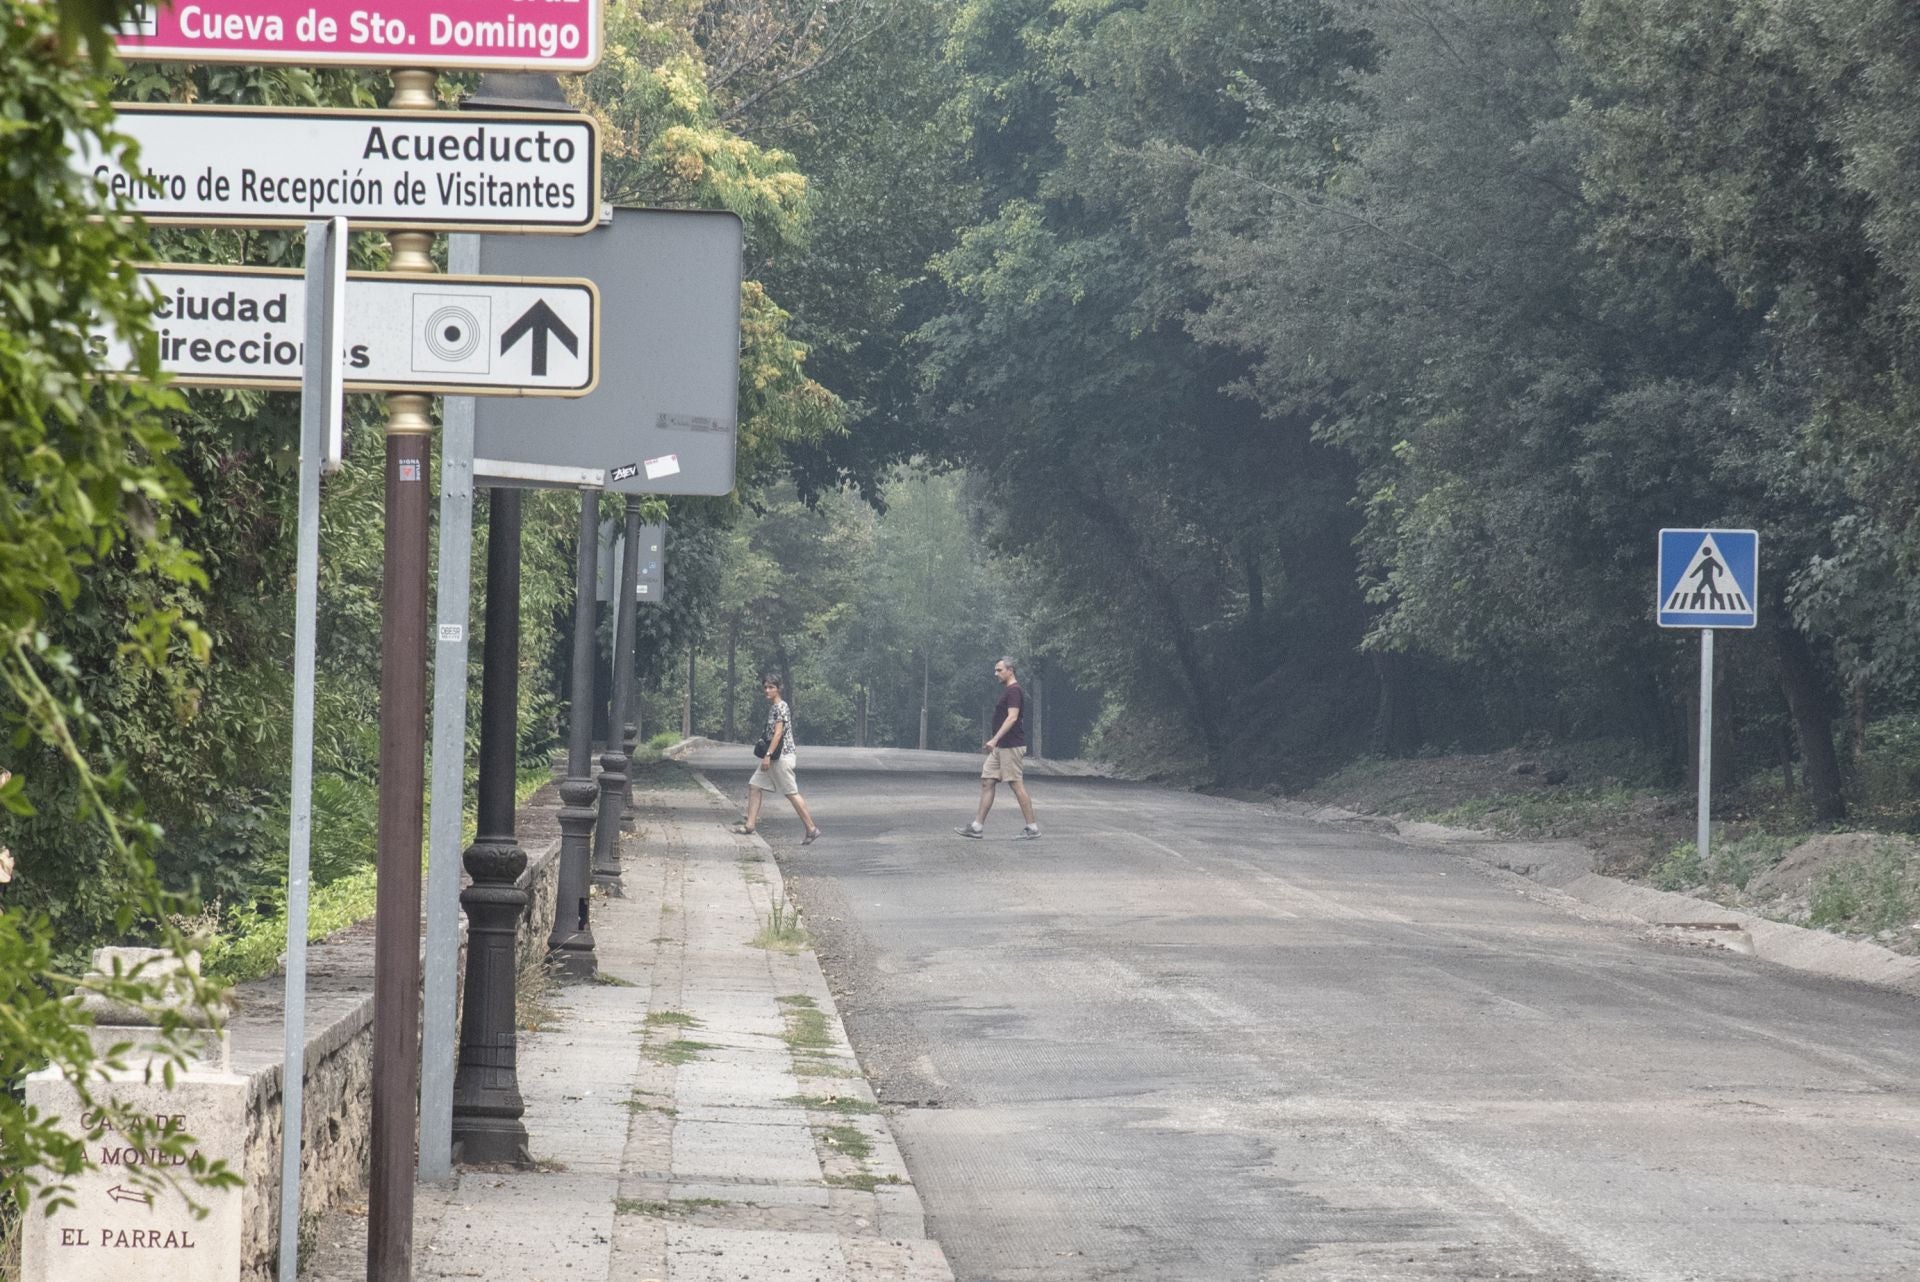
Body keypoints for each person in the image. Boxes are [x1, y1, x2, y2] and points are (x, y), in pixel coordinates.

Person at [956, 656, 1040, 840]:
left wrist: (994, 739)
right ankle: (977, 827)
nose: (996, 674)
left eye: (999, 670)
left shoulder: (1014, 691)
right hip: (1001, 746)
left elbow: (1012, 717)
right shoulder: (1009, 691)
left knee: (1016, 784)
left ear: (1010, 671)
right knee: (987, 780)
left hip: (1011, 746)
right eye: (995, 670)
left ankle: (1032, 827)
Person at [732, 675, 822, 844]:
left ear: (779, 689)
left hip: (780, 758)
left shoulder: (780, 707)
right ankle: (750, 825)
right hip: (773, 757)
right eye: (765, 687)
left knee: (791, 793)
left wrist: (767, 756)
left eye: (771, 687)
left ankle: (811, 828)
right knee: (754, 786)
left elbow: (778, 733)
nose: (767, 690)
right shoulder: (775, 707)